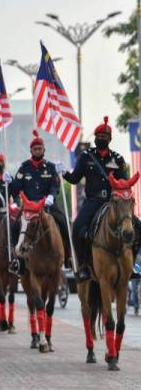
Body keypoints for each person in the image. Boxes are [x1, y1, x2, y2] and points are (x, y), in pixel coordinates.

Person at [60, 116, 138, 281]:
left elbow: (123, 182)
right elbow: (75, 179)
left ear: (110, 139)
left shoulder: (117, 159)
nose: (101, 139)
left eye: (105, 137)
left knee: (138, 226)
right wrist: (64, 173)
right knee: (77, 228)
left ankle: (132, 266)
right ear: (95, 138)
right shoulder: (86, 156)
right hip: (93, 201)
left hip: (113, 203)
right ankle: (83, 266)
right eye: (99, 137)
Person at [9, 130, 70, 274]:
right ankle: (17, 260)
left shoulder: (50, 167)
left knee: (64, 222)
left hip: (47, 205)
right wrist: (9, 182)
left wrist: (51, 196)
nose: (37, 151)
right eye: (35, 149)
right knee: (15, 227)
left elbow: (55, 185)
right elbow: (16, 188)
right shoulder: (24, 168)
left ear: (44, 150)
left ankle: (68, 257)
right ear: (31, 150)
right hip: (29, 208)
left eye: (40, 148)